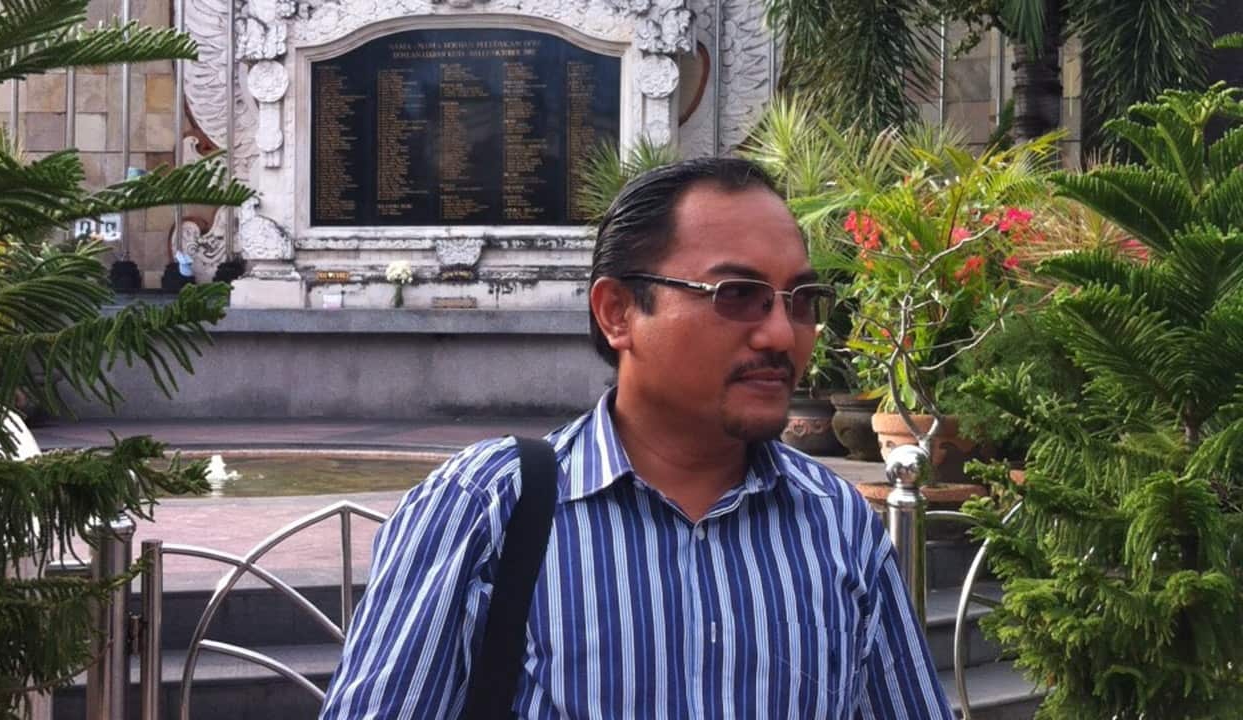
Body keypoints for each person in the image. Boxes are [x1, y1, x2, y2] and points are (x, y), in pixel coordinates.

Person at [320, 157, 952, 719]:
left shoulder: (836, 522)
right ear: (617, 313)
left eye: (801, 300)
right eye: (737, 295)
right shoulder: (485, 509)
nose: (782, 335)